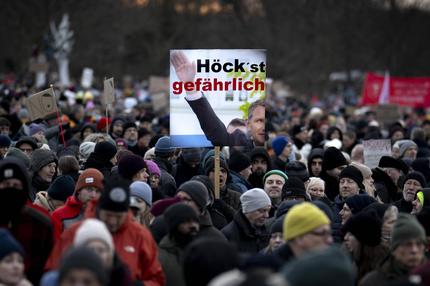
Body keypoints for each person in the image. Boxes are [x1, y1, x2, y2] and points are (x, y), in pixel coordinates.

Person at [46, 176, 165, 286]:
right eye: (108, 215)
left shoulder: (140, 236)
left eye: (118, 217)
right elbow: (52, 270)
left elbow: (157, 278)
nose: (112, 221)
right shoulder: (76, 233)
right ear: (98, 210)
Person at [170, 50, 265, 148]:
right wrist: (189, 84)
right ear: (249, 125)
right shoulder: (239, 144)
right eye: (259, 121)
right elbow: (215, 129)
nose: (264, 127)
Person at [0, 158, 54, 285]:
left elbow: (49, 261)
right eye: (6, 185)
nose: (10, 189)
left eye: (16, 185)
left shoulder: (40, 221)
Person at [359, 214, 427, 285]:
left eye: (419, 244)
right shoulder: (373, 282)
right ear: (394, 249)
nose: (414, 250)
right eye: (407, 244)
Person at [51, 169, 104, 239]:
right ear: (79, 190)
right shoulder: (59, 215)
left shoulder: (106, 215)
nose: (93, 195)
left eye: (98, 191)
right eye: (89, 189)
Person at [158, 203, 200, 286]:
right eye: (186, 221)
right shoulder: (160, 258)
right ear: (174, 225)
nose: (193, 226)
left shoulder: (201, 252)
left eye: (195, 221)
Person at [221, 188, 271, 253]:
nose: (267, 215)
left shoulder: (267, 231)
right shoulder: (228, 235)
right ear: (248, 210)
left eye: (268, 211)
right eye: (261, 211)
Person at [343, 211, 388, 280]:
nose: (345, 237)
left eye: (351, 234)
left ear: (364, 239)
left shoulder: (382, 275)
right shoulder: (354, 264)